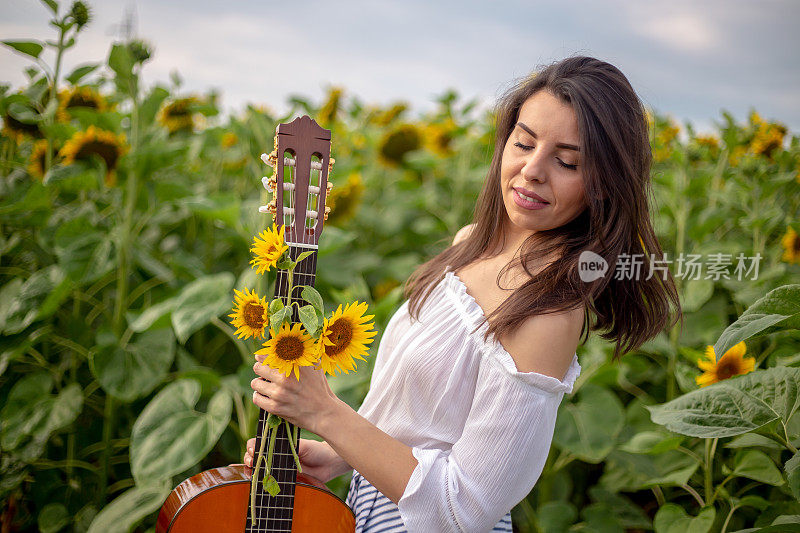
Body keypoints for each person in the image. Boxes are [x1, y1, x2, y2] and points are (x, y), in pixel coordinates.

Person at [243, 55, 682, 532]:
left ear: (603, 184)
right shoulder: (470, 244)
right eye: (524, 143)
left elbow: (462, 512)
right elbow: (425, 422)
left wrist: (328, 414)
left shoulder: (549, 311)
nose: (533, 170)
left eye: (567, 161)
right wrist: (337, 455)